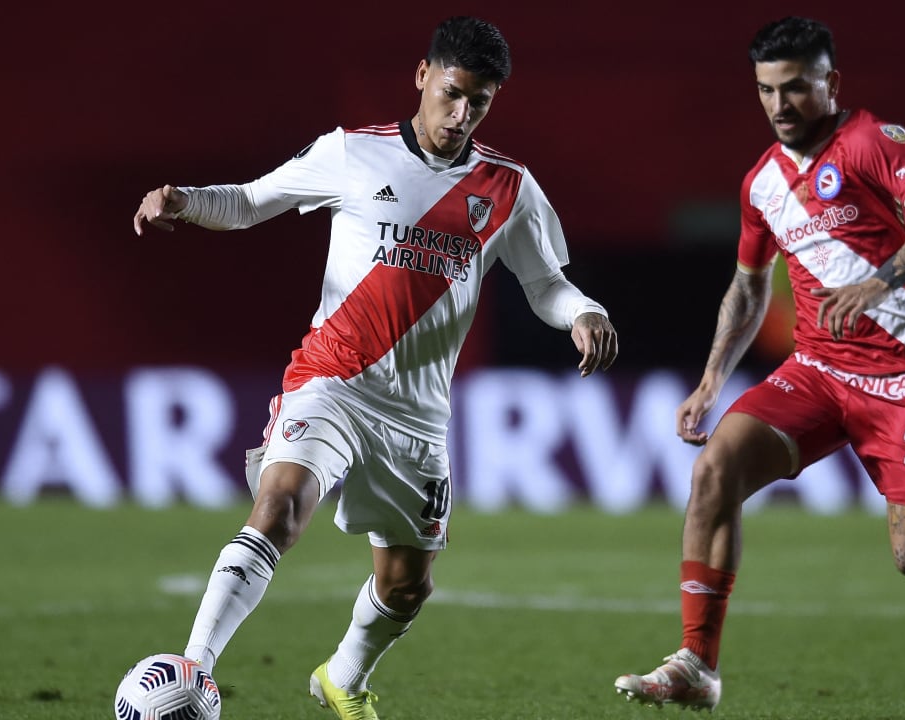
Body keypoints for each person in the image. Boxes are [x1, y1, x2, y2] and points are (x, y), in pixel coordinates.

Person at [133, 16, 618, 720]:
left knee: (406, 587)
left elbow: (546, 284)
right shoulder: (353, 153)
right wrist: (182, 200)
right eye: (452, 93)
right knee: (279, 507)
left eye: (478, 102)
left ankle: (343, 678)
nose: (460, 114)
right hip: (331, 381)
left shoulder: (508, 186)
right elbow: (247, 202)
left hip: (417, 418)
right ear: (423, 75)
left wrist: (583, 312)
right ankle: (192, 669)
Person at [614, 17, 905, 711]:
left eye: (796, 87)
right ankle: (697, 665)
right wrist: (711, 378)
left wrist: (879, 281)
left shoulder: (871, 142)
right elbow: (747, 287)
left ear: (831, 83)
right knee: (714, 470)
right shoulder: (761, 181)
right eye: (767, 90)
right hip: (819, 372)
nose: (780, 104)